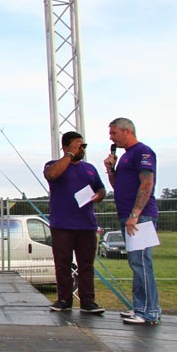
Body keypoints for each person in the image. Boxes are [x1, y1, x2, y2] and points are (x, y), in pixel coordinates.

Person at [104, 117, 161, 325]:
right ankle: (140, 307)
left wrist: (135, 213)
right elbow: (117, 185)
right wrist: (111, 169)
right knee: (135, 262)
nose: (111, 138)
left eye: (114, 133)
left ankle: (149, 311)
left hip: (140, 216)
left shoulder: (142, 152)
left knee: (141, 263)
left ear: (127, 131)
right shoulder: (126, 156)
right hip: (127, 214)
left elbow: (147, 183)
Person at [44, 132, 107, 314]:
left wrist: (100, 195)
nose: (82, 149)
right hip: (62, 225)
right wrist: (69, 155)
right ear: (66, 146)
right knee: (63, 264)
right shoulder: (53, 165)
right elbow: (52, 175)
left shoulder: (89, 168)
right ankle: (64, 299)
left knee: (86, 265)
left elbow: (101, 188)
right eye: (78, 145)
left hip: (86, 224)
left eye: (83, 146)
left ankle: (88, 301)